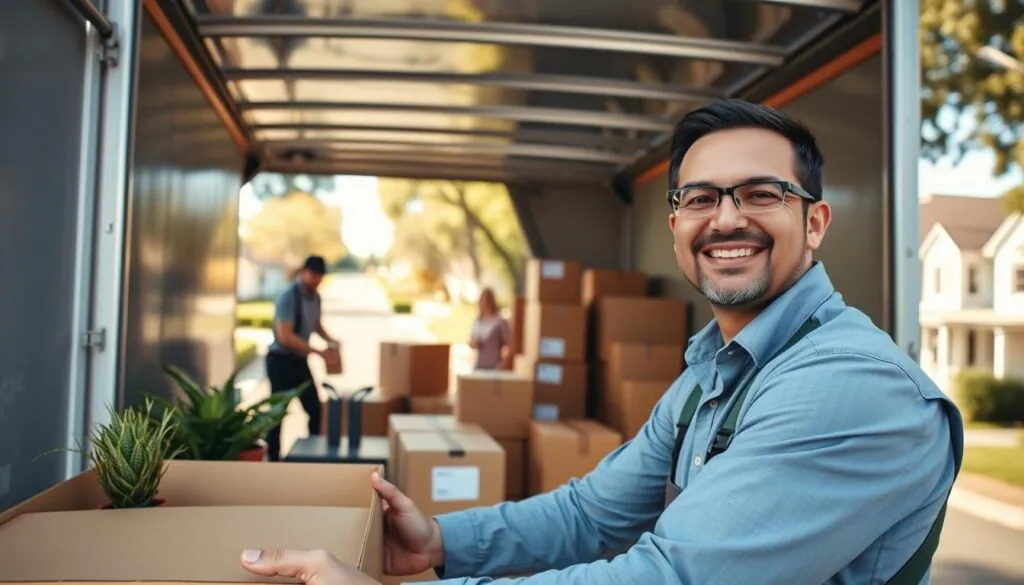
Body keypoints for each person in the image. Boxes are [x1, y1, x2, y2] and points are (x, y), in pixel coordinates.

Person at [238, 100, 964, 583]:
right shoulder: (714, 373)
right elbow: (591, 512)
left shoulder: (849, 384)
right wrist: (439, 542)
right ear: (676, 224)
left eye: (763, 193)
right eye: (702, 197)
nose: (727, 218)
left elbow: (671, 577)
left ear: (815, 222)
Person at [264, 255, 341, 462]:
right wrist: (318, 352)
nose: (316, 279)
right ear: (303, 272)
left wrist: (331, 341)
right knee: (277, 414)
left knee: (314, 409)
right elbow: (285, 336)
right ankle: (273, 459)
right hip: (280, 361)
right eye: (313, 274)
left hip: (299, 362)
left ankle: (313, 455)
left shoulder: (315, 297)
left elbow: (316, 325)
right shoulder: (288, 296)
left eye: (320, 276)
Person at [468, 287, 512, 370]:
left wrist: (504, 363)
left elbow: (510, 345)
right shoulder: (478, 321)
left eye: (486, 300)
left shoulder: (500, 322)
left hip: (494, 366)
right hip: (479, 365)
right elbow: (470, 341)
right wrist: (474, 343)